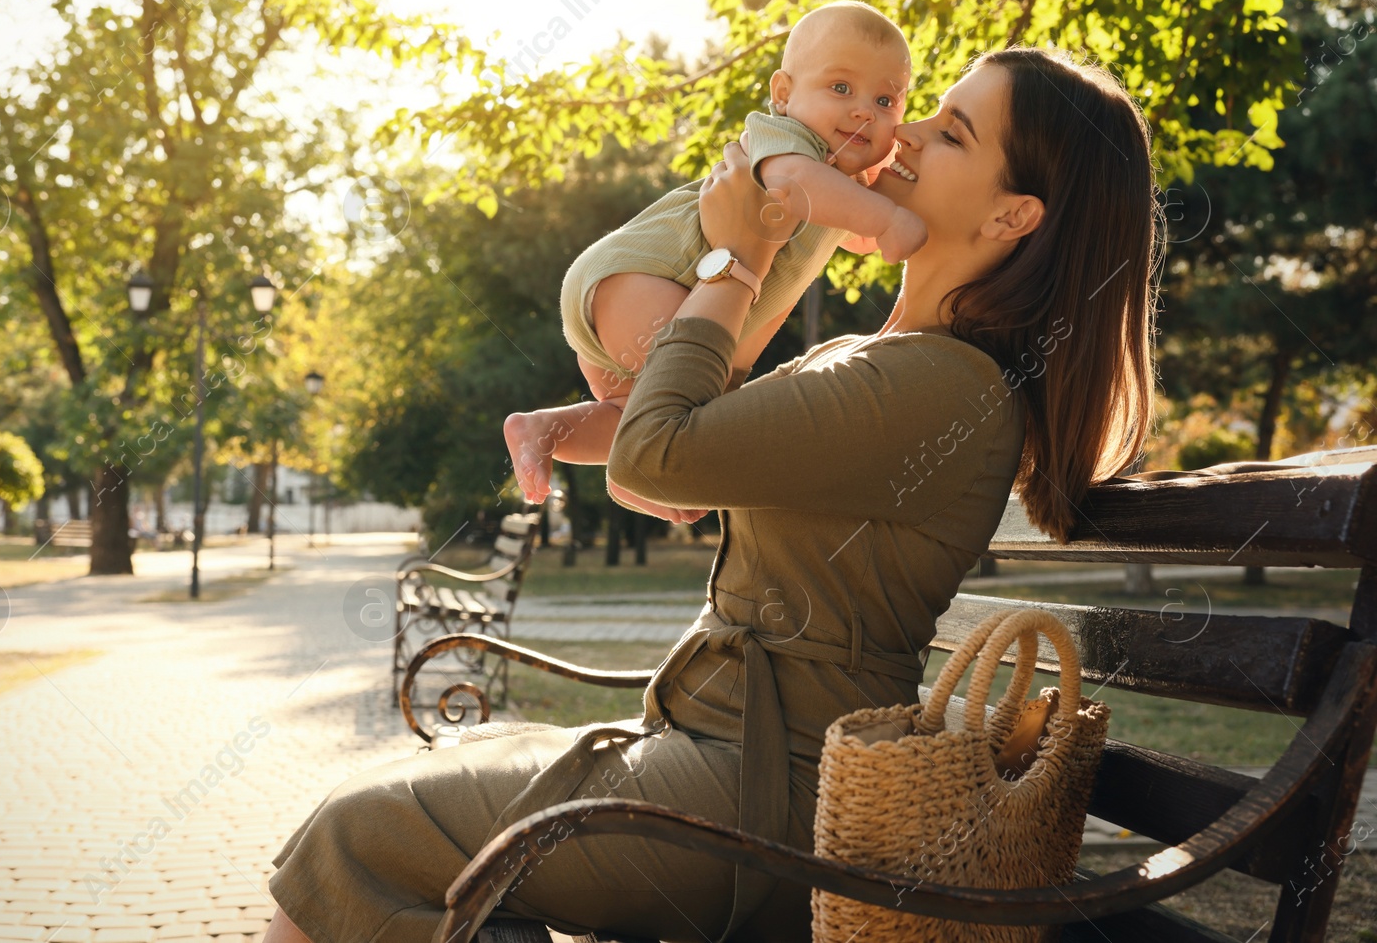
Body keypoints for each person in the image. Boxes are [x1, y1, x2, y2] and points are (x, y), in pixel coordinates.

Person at [262, 47, 1161, 943]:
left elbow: (660, 455)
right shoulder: (891, 362)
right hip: (719, 757)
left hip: (773, 803)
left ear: (1015, 213)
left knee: (358, 835)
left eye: (953, 131)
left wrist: (739, 255)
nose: (909, 132)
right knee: (394, 839)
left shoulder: (945, 387)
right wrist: (574, 418)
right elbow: (694, 429)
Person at [504, 1, 927, 523]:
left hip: (636, 311)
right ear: (783, 93)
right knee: (693, 413)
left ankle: (550, 431)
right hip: (649, 280)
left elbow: (853, 234)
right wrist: (886, 218)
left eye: (885, 100)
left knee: (645, 415)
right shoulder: (790, 145)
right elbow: (798, 185)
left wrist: (890, 213)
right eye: (841, 88)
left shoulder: (842, 191)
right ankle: (642, 472)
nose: (863, 109)